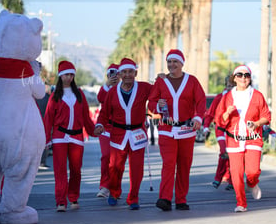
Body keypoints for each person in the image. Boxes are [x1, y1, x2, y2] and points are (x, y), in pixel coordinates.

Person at [148, 49, 206, 211]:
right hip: (167, 129)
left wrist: (198, 117)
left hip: (187, 129)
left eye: (175, 62)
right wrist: (156, 106)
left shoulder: (192, 81)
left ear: (182, 63)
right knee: (169, 163)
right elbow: (151, 104)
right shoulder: (160, 82)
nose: (172, 65)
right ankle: (165, 198)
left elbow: (201, 101)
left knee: (184, 165)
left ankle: (181, 199)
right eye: (169, 62)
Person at [94, 58, 152, 210]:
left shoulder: (144, 88)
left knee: (137, 169)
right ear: (119, 74)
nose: (127, 75)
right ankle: (114, 192)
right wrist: (99, 124)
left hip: (137, 133)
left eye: (130, 72)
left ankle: (133, 198)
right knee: (114, 167)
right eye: (124, 72)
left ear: (136, 73)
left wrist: (162, 79)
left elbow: (159, 91)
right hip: (118, 134)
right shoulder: (113, 92)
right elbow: (104, 113)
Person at [215, 65, 271, 213]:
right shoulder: (227, 97)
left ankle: (252, 183)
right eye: (239, 75)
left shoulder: (257, 95)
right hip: (234, 140)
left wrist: (257, 123)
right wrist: (227, 113)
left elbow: (266, 116)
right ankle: (241, 203)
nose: (243, 78)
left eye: (246, 75)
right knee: (236, 173)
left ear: (250, 78)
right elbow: (219, 120)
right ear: (234, 78)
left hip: (253, 138)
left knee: (252, 171)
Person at [44, 60, 96, 212]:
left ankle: (73, 197)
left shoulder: (79, 94)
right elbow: (48, 119)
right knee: (60, 170)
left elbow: (86, 117)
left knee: (76, 170)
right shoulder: (55, 96)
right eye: (66, 75)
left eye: (71, 75)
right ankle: (61, 201)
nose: (69, 78)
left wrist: (94, 131)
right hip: (60, 136)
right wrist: (47, 139)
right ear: (60, 76)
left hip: (77, 137)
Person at [203, 76, 235, 190]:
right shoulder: (219, 97)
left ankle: (232, 180)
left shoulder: (239, 99)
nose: (231, 88)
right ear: (226, 85)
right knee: (224, 152)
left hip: (233, 130)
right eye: (229, 86)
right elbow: (210, 113)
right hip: (220, 129)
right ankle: (218, 178)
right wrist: (206, 126)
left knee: (233, 155)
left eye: (233, 86)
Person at [95, 63, 120, 198]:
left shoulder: (124, 88)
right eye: (111, 74)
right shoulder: (105, 89)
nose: (114, 77)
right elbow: (100, 98)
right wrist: (107, 85)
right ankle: (104, 186)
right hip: (105, 127)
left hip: (119, 128)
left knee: (117, 160)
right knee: (106, 156)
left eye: (116, 74)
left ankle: (115, 187)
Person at [37, 81, 52, 170]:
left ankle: (37, 161)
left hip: (36, 122)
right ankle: (42, 161)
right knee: (44, 142)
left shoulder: (35, 98)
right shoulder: (48, 98)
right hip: (45, 123)